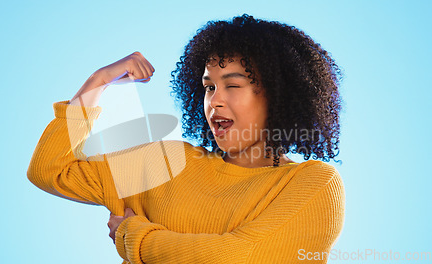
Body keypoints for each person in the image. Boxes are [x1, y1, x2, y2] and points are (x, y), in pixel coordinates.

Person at [27, 14, 344, 263]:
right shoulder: (166, 161)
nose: (214, 101)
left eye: (232, 85)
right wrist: (98, 82)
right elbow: (50, 170)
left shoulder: (313, 183)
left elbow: (239, 257)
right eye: (209, 87)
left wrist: (133, 235)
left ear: (277, 95)